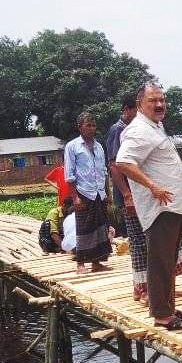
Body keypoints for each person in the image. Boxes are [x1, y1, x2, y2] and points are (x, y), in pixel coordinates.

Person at [115, 83, 182, 330]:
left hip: (171, 206)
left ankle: (167, 307)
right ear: (140, 103)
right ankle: (162, 315)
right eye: (153, 101)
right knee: (160, 260)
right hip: (160, 207)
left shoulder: (154, 126)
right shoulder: (139, 129)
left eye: (162, 100)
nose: (159, 105)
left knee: (168, 259)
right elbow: (123, 162)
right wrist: (152, 187)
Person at [64, 112, 112, 274]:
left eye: (93, 125)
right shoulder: (72, 146)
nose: (91, 129)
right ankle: (81, 264)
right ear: (80, 128)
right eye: (88, 125)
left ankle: (97, 262)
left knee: (100, 227)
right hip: (83, 193)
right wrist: (75, 197)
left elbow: (104, 172)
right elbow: (69, 175)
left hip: (99, 193)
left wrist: (108, 193)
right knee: (83, 228)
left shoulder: (99, 147)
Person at [105, 91, 139, 208]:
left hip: (137, 191)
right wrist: (126, 195)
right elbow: (114, 165)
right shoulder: (117, 130)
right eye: (136, 111)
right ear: (126, 109)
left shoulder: (132, 130)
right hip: (128, 195)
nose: (139, 115)